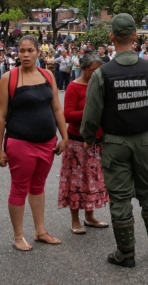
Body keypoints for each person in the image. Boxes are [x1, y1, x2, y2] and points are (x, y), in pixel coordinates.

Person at [80, 14, 148, 268]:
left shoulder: (103, 73)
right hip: (145, 141)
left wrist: (88, 137)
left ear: (111, 37)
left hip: (115, 143)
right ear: (135, 36)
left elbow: (92, 113)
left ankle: (126, 252)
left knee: (120, 198)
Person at [0, 35, 69, 251]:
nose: (25, 55)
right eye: (22, 51)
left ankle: (40, 231)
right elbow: (1, 117)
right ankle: (18, 236)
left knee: (38, 186)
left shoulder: (47, 75)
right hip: (20, 142)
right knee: (19, 187)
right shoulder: (9, 78)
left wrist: (64, 137)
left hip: (47, 143)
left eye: (30, 51)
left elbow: (57, 108)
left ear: (38, 52)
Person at [58, 51, 109, 234]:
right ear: (84, 69)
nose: (95, 74)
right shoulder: (74, 87)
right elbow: (67, 115)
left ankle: (90, 215)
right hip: (77, 142)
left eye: (98, 70)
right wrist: (91, 112)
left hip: (97, 140)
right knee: (76, 181)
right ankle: (75, 220)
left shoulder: (101, 86)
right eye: (92, 70)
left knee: (92, 180)